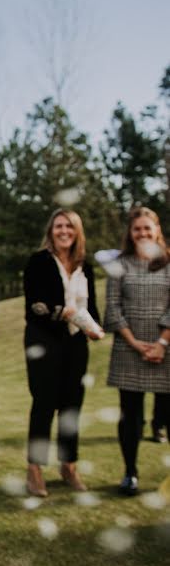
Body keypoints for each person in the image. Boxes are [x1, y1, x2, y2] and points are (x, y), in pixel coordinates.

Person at [23, 209, 103, 497]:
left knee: (72, 405)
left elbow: (91, 309)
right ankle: (34, 469)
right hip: (44, 341)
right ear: (51, 230)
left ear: (77, 231)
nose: (64, 231)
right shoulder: (39, 262)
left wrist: (95, 328)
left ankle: (68, 465)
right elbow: (34, 307)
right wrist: (63, 312)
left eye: (69, 226)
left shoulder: (86, 266)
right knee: (44, 404)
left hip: (75, 344)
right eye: (59, 226)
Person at [103, 206, 170, 495]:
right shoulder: (120, 264)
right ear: (130, 234)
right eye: (137, 229)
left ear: (157, 230)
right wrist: (134, 342)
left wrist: (161, 343)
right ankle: (130, 472)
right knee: (130, 416)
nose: (142, 233)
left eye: (147, 228)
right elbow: (112, 306)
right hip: (128, 348)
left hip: (165, 348)